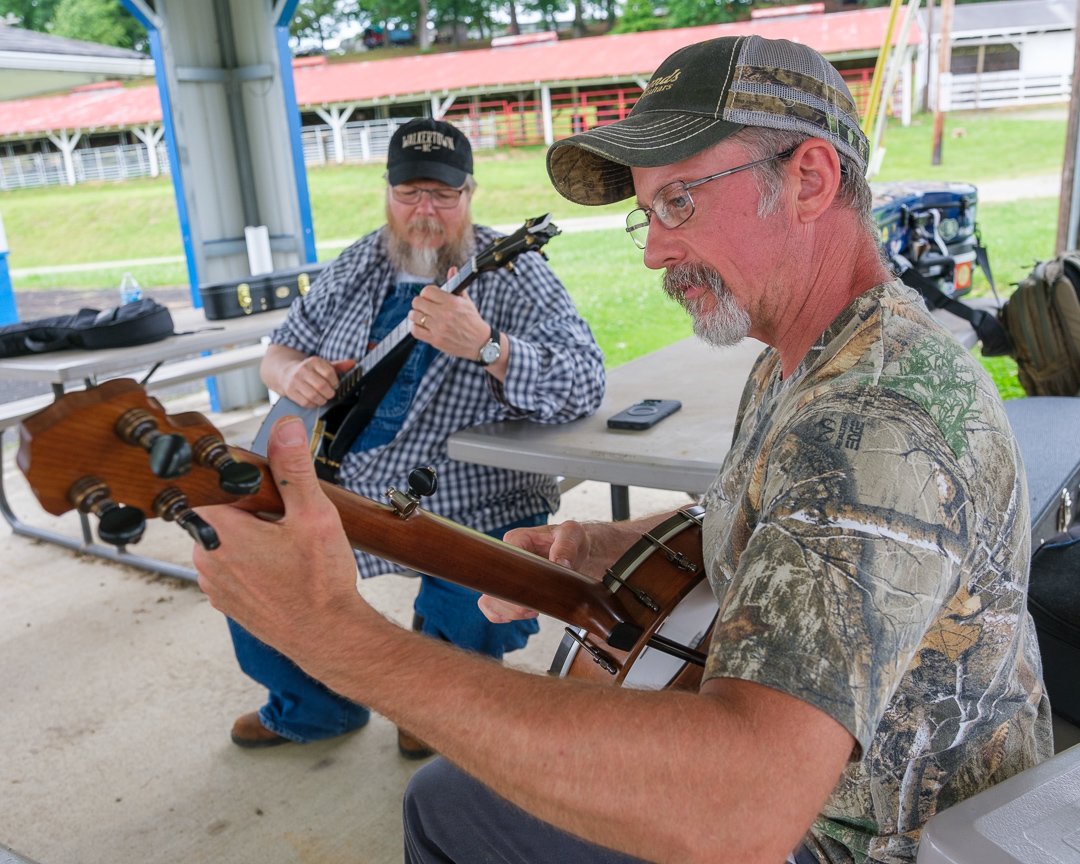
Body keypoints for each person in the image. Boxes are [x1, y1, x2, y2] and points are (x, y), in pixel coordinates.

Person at [195, 36, 1052, 863]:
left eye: (679, 201)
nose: (652, 249)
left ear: (810, 181)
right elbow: (784, 516)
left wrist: (335, 634)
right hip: (828, 808)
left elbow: (743, 810)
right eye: (646, 212)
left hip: (854, 840)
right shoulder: (807, 352)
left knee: (442, 802)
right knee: (455, 794)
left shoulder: (872, 418)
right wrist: (617, 542)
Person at [224, 116, 606, 758]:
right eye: (409, 194)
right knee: (243, 549)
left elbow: (584, 383)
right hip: (344, 481)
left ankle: (434, 702)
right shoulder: (360, 262)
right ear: (387, 192)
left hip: (472, 493)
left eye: (443, 194)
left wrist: (489, 346)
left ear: (471, 194)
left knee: (474, 597)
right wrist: (296, 371)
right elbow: (279, 351)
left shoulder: (511, 270)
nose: (425, 210)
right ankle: (312, 708)